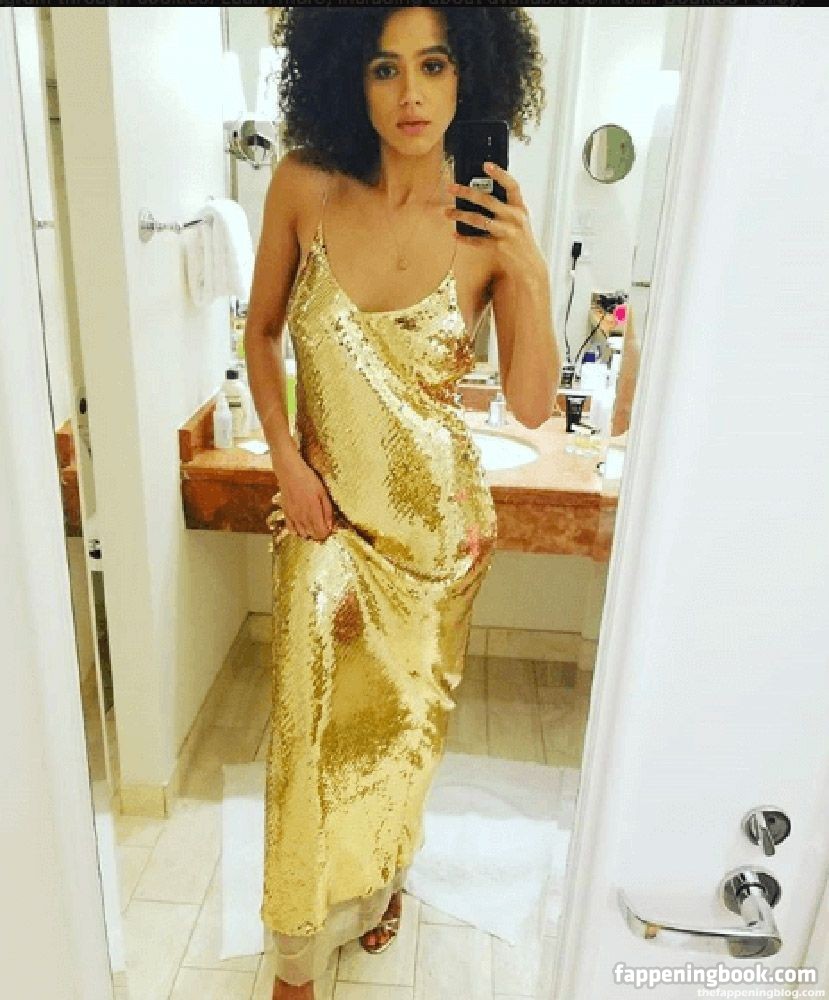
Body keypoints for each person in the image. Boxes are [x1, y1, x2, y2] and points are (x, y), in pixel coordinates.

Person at [244, 7, 559, 998]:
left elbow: (531, 403)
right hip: (324, 523)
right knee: (308, 738)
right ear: (350, 75)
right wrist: (286, 461)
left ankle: (381, 880)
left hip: (438, 541)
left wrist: (528, 268)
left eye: (434, 65)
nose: (411, 94)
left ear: (472, 77)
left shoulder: (483, 227)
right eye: (385, 69)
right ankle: (297, 955)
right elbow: (261, 333)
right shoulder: (304, 185)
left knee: (400, 743)